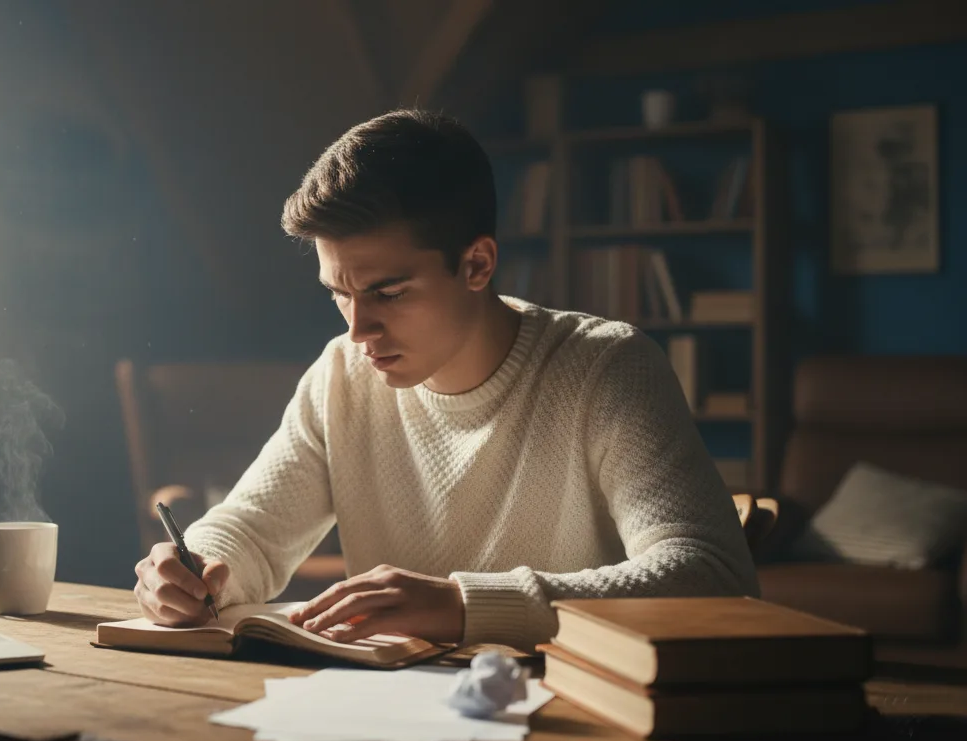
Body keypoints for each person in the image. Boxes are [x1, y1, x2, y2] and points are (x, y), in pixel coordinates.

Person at [132, 109, 758, 652]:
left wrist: (464, 604)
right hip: (398, 709)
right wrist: (194, 569)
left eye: (389, 292)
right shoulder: (342, 375)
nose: (359, 330)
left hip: (577, 715)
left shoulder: (607, 367)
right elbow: (251, 531)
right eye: (339, 295)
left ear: (477, 263)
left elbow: (712, 575)